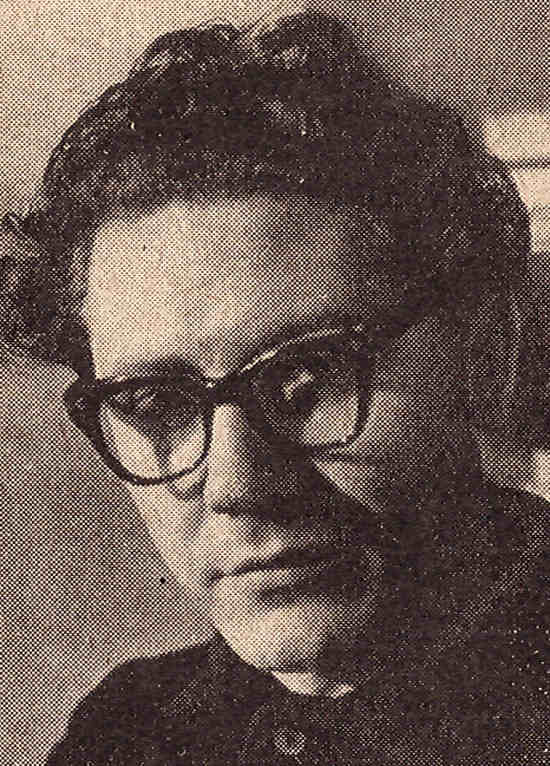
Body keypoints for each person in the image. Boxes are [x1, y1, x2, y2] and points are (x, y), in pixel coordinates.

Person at [1, 11, 547, 765]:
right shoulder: (131, 734)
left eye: (307, 381)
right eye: (157, 406)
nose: (239, 486)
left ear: (486, 357)